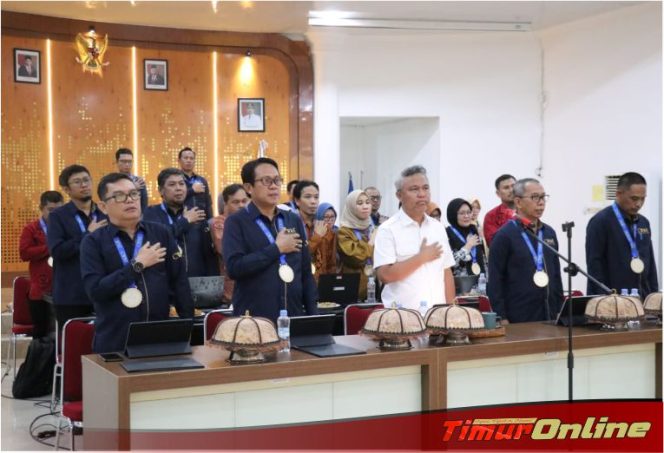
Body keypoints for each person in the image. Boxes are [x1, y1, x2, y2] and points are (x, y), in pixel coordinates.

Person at [81, 173, 193, 353]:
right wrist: (136, 265)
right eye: (119, 196)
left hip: (159, 334)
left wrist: (188, 325)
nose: (129, 200)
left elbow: (179, 282)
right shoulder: (93, 242)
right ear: (103, 206)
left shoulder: (161, 233)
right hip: (115, 338)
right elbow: (96, 291)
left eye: (134, 194)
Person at [222, 157, 318, 322]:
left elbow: (305, 272)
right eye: (266, 181)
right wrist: (276, 249)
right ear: (248, 187)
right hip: (254, 319)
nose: (274, 186)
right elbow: (234, 268)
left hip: (293, 315)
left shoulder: (292, 219)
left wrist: (313, 317)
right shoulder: (236, 222)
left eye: (277, 180)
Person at [373, 166, 455, 310]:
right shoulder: (388, 229)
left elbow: (446, 272)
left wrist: (449, 310)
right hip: (403, 319)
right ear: (399, 195)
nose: (422, 194)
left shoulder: (437, 227)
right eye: (414, 189)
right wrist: (421, 258)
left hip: (437, 318)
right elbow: (385, 275)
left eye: (425, 188)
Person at [487, 178, 563, 324]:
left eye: (543, 197)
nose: (541, 202)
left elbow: (556, 274)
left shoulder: (549, 233)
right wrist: (501, 317)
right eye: (535, 197)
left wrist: (560, 308)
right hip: (519, 316)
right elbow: (495, 281)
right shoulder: (504, 235)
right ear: (518, 202)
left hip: (550, 313)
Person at [47, 165, 107, 330]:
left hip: (103, 292)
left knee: (104, 346)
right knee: (72, 348)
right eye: (77, 182)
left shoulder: (105, 212)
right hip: (71, 294)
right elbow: (57, 251)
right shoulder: (58, 216)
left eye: (86, 180)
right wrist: (87, 235)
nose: (84, 185)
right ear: (66, 189)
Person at [586, 172, 658, 297]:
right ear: (618, 194)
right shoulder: (600, 222)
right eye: (634, 198)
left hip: (642, 300)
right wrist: (604, 301)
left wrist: (654, 296)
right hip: (612, 301)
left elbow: (650, 264)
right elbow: (595, 267)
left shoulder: (643, 223)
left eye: (643, 198)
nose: (638, 204)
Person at [143, 168, 218, 278]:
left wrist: (213, 282)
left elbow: (208, 254)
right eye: (172, 184)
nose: (178, 188)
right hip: (165, 284)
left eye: (181, 184)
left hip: (195, 283)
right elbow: (158, 240)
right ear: (161, 191)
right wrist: (185, 221)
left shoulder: (197, 213)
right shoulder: (151, 213)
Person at [19, 190, 63, 337]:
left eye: (59, 210)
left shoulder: (67, 229)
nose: (55, 214)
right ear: (41, 208)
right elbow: (24, 253)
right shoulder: (31, 229)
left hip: (65, 288)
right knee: (42, 333)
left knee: (64, 334)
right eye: (51, 210)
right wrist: (50, 248)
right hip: (40, 290)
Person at [209, 183, 250, 304]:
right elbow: (226, 250)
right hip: (229, 289)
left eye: (244, 201)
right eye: (236, 202)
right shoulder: (218, 223)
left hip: (251, 286)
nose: (241, 205)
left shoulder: (249, 221)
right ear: (225, 204)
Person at [293, 180, 337, 280]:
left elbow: (331, 262)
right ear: (297, 201)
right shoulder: (290, 224)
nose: (313, 201)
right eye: (308, 197)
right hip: (299, 281)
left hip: (321, 283)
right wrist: (317, 237)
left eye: (316, 197)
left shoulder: (324, 226)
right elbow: (297, 256)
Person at [337, 190, 376, 301]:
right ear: (351, 207)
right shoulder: (344, 231)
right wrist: (371, 242)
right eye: (359, 203)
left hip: (375, 287)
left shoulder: (372, 228)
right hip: (354, 290)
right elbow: (355, 258)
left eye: (367, 202)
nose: (365, 206)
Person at [445, 198, 487, 277]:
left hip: (480, 284)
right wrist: (467, 247)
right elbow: (448, 264)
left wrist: (484, 240)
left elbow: (485, 260)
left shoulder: (474, 230)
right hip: (461, 285)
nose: (467, 216)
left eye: (469, 212)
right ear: (453, 214)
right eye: (462, 213)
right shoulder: (447, 233)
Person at [178, 147, 212, 219]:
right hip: (183, 219)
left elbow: (208, 203)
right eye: (186, 158)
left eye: (191, 158)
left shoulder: (202, 180)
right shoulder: (176, 180)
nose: (189, 160)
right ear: (179, 161)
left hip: (201, 221)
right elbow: (174, 197)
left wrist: (210, 221)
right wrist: (192, 190)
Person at [484, 174, 516, 247]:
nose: (511, 190)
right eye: (506, 188)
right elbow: (493, 244)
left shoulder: (527, 210)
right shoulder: (491, 215)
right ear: (498, 193)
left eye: (513, 186)